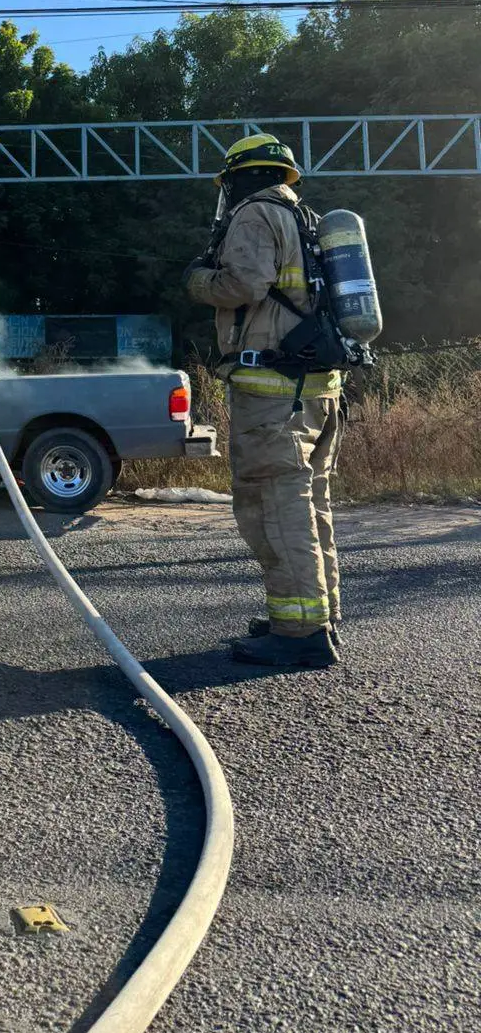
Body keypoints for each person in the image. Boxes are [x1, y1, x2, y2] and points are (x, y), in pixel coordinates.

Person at [184, 135, 342, 669]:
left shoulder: (254, 213)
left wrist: (199, 282)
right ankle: (319, 613)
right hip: (318, 388)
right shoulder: (305, 215)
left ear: (238, 177)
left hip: (274, 391)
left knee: (274, 504)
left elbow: (244, 284)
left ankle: (299, 632)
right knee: (308, 501)